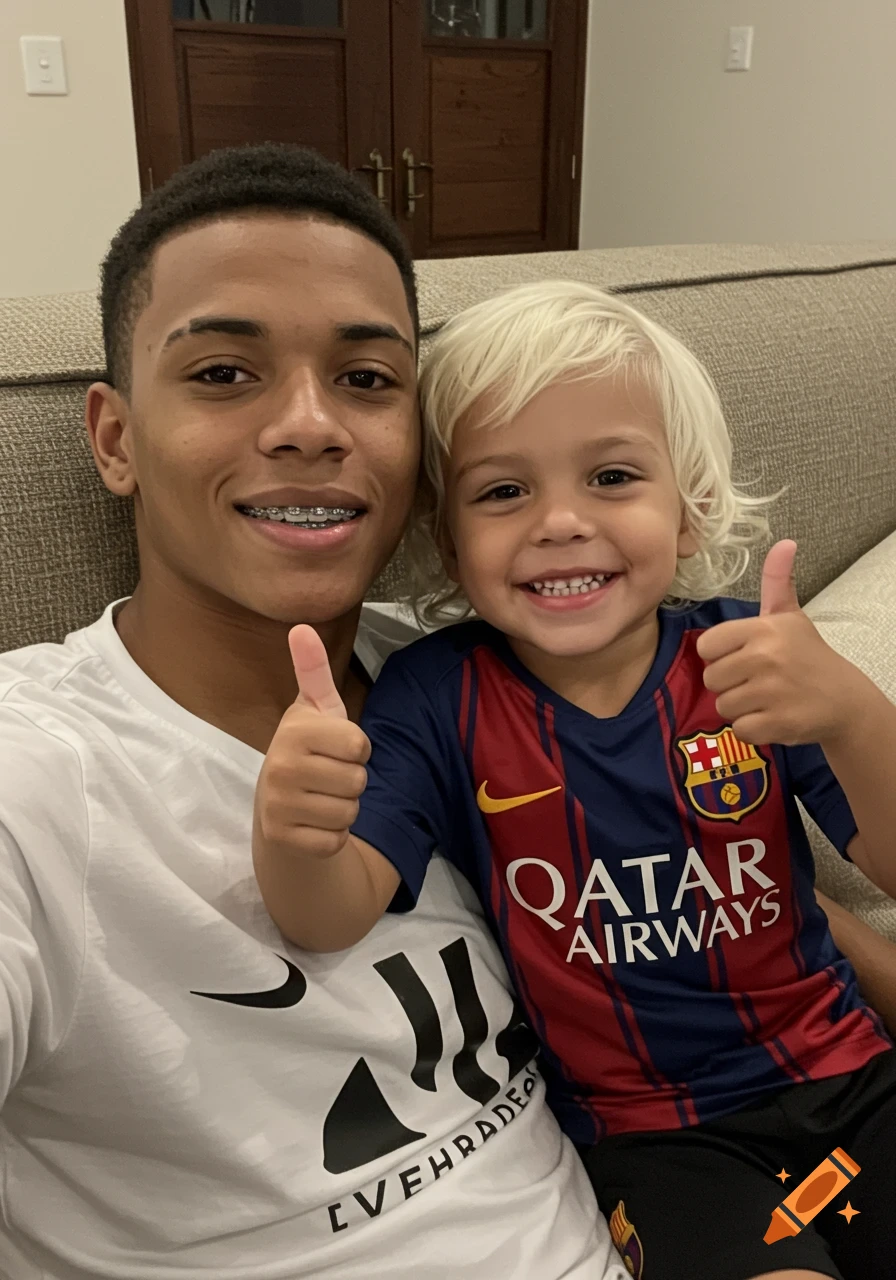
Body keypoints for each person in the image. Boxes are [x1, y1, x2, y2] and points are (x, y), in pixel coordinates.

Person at [0, 149, 628, 1280]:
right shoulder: (37, 774)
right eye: (224, 373)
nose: (308, 425)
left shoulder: (487, 676)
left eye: (368, 379)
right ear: (114, 438)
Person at [253, 282, 896, 1280]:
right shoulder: (435, 696)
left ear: (687, 512)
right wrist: (297, 831)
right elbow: (328, 916)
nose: (558, 521)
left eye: (609, 475)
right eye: (502, 491)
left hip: (852, 1075)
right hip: (652, 1138)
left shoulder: (744, 658)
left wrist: (853, 714)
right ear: (446, 537)